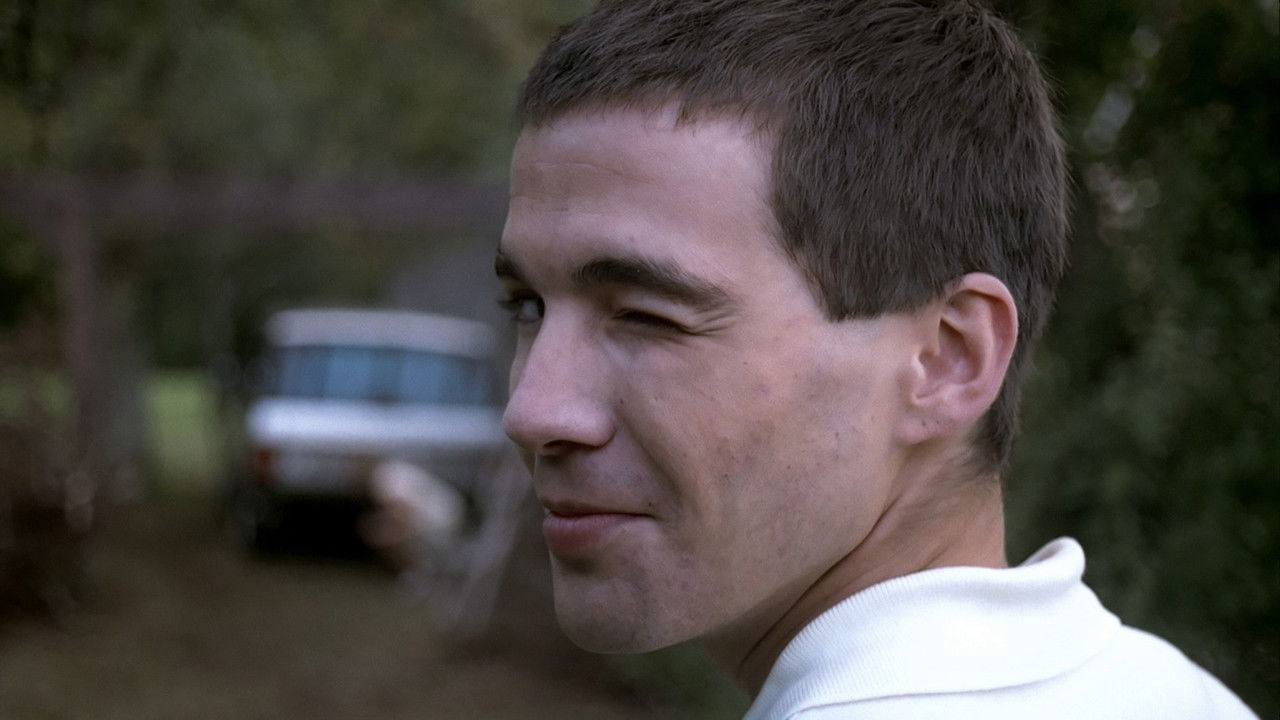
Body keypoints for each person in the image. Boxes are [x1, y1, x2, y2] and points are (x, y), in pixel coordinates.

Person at [493, 1, 1258, 718]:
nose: (532, 411)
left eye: (646, 317)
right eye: (528, 306)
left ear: (949, 359)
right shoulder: (1174, 695)